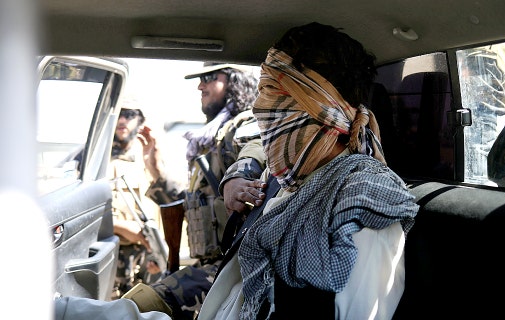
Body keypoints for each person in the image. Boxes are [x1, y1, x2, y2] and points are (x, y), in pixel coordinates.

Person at [198, 22, 420, 320]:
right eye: (261, 90)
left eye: (273, 92)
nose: (259, 107)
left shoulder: (362, 206)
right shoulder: (283, 181)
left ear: (323, 109)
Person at [123, 63, 267, 320]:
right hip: (208, 263)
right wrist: (157, 171)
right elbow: (196, 205)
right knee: (136, 300)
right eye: (200, 79)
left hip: (234, 265)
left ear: (235, 81)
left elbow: (255, 149)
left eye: (210, 78)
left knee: (142, 304)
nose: (201, 85)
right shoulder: (210, 141)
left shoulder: (244, 125)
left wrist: (237, 176)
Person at [107, 102, 167, 299]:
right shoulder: (97, 159)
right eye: (120, 114)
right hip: (112, 258)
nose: (123, 120)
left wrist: (159, 256)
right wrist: (122, 227)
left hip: (147, 259)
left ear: (141, 122)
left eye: (130, 115)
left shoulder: (151, 159)